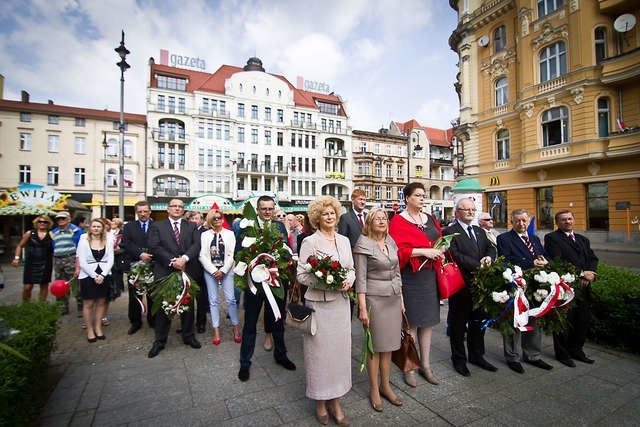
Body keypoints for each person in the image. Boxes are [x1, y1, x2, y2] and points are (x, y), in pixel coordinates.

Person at [297, 196, 355, 426]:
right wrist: (328, 282)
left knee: (339, 355)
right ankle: (320, 402)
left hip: (340, 305)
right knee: (319, 356)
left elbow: (351, 268)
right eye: (325, 214)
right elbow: (301, 275)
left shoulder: (344, 241)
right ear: (317, 218)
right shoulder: (310, 242)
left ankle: (336, 400)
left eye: (332, 213)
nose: (329, 217)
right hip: (319, 306)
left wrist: (348, 281)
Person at [388, 183, 444, 387]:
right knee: (410, 324)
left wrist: (440, 248)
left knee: (427, 323)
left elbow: (439, 239)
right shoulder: (398, 221)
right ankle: (409, 365)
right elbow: (396, 251)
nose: (422, 198)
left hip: (429, 276)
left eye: (423, 195)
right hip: (410, 277)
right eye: (418, 195)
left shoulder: (429, 219)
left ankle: (426, 365)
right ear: (407, 198)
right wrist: (422, 251)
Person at [235, 195, 296, 381]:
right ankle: (245, 363)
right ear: (258, 209)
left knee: (278, 319)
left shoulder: (279, 226)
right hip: (254, 285)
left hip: (275, 281)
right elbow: (239, 252)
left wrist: (283, 264)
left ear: (274, 208)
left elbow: (286, 249)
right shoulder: (247, 226)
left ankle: (281, 354)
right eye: (264, 209)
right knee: (250, 324)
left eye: (270, 208)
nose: (267, 212)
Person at [353, 208, 403, 412]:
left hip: (393, 298)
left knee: (389, 346)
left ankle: (386, 385)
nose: (382, 221)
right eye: (377, 219)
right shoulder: (363, 244)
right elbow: (361, 280)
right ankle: (374, 388)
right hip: (374, 300)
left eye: (384, 218)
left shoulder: (391, 241)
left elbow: (397, 272)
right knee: (375, 347)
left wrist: (401, 300)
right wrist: (362, 308)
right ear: (369, 222)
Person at [443, 199, 497, 377]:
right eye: (466, 209)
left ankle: (477, 355)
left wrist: (489, 258)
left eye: (473, 209)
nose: (470, 212)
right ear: (457, 212)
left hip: (480, 287)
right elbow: (454, 255)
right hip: (461, 286)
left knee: (478, 323)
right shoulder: (450, 231)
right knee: (458, 326)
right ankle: (459, 359)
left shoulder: (480, 231)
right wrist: (477, 265)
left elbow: (491, 248)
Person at [497, 208, 553, 373]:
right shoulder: (504, 239)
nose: (521, 224)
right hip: (517, 286)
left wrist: (545, 262)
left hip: (535, 286)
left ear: (529, 222)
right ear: (512, 222)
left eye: (524, 221)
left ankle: (533, 355)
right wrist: (530, 264)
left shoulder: (534, 238)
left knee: (533, 321)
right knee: (514, 322)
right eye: (517, 221)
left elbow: (544, 256)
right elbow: (505, 261)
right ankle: (512, 357)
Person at [147, 199, 202, 358]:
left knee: (188, 305)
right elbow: (154, 246)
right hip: (165, 270)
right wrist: (173, 261)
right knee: (164, 306)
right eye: (174, 206)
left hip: (186, 269)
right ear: (168, 209)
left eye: (180, 207)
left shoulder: (191, 226)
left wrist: (184, 259)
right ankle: (160, 340)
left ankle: (189, 336)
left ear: (183, 210)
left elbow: (196, 245)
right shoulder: (157, 226)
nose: (177, 209)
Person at [544, 210, 598, 367]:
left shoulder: (583, 239)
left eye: (569, 219)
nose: (567, 222)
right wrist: (581, 274)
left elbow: (593, 258)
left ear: (574, 220)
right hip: (566, 288)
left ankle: (577, 350)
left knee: (582, 321)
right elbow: (557, 261)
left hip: (584, 288)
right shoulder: (552, 238)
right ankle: (562, 353)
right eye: (563, 220)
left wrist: (591, 273)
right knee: (563, 322)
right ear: (557, 222)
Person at [199, 209, 241, 345]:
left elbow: (231, 254)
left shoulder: (229, 234)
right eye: (215, 218)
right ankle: (216, 329)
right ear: (210, 220)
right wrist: (213, 271)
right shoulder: (204, 235)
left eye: (219, 217)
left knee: (231, 300)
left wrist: (222, 270)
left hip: (227, 270)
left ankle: (235, 327)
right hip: (210, 271)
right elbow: (202, 255)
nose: (217, 220)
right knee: (213, 301)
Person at [77, 219, 114, 342]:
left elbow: (110, 259)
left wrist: (102, 275)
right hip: (88, 275)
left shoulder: (107, 241)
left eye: (99, 226)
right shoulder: (83, 241)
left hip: (104, 274)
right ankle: (90, 330)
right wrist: (94, 275)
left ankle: (98, 328)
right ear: (90, 228)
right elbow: (82, 261)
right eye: (94, 226)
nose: (96, 228)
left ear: (103, 228)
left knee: (101, 302)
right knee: (88, 304)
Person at [122, 200, 154, 335]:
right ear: (136, 212)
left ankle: (153, 320)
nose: (143, 214)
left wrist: (150, 255)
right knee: (135, 295)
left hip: (152, 264)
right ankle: (135, 321)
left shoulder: (156, 226)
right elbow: (126, 244)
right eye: (140, 212)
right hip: (135, 265)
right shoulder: (129, 226)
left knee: (153, 295)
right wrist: (140, 254)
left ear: (150, 211)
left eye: (145, 211)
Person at [11, 215, 54, 302]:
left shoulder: (52, 235)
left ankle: (41, 306)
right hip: (31, 263)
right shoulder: (29, 233)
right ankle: (26, 306)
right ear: (36, 223)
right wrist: (16, 258)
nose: (42, 223)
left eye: (45, 222)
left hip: (46, 263)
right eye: (40, 221)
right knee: (27, 287)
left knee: (44, 285)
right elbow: (20, 246)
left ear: (48, 224)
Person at [50, 211, 84, 314]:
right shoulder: (53, 232)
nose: (60, 221)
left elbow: (81, 246)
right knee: (59, 283)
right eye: (58, 219)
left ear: (68, 219)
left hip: (71, 258)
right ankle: (62, 307)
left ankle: (80, 306)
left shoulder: (77, 231)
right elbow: (53, 246)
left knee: (75, 283)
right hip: (58, 259)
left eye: (63, 218)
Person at [186, 211, 208, 333]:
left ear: (201, 220)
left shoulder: (205, 233)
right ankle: (186, 323)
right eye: (192, 218)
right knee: (186, 298)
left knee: (201, 299)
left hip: (201, 269)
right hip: (187, 268)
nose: (194, 220)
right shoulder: (184, 231)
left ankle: (201, 323)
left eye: (196, 218)